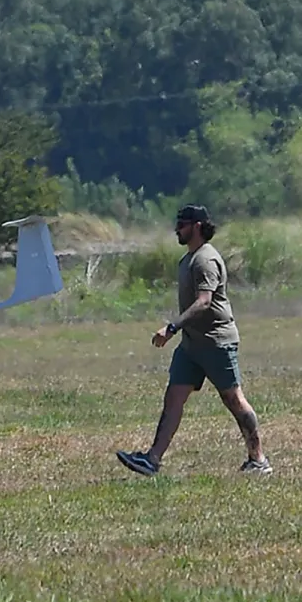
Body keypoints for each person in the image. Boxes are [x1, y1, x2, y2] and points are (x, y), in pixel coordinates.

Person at [116, 204, 271, 477]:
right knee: (174, 397)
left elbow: (204, 302)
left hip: (216, 341)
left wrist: (172, 327)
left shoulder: (205, 260)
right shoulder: (188, 259)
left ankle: (258, 460)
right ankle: (152, 460)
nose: (177, 228)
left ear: (197, 226)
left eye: (183, 223)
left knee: (234, 399)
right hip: (191, 345)